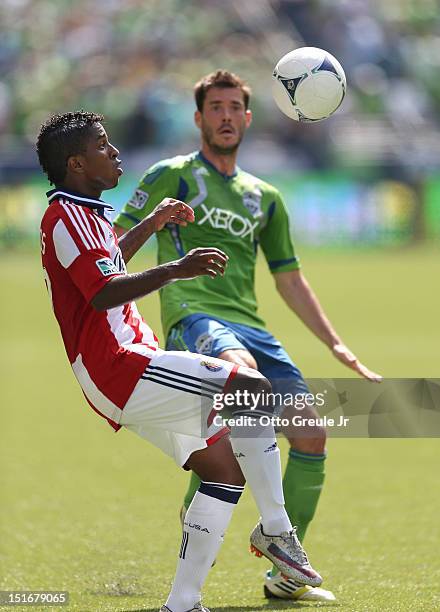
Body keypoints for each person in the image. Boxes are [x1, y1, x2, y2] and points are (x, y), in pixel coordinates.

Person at [37, 111, 323, 612]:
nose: (116, 152)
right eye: (104, 146)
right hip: (120, 364)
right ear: (77, 163)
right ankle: (278, 531)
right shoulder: (64, 217)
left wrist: (153, 220)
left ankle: (183, 602)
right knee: (253, 390)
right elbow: (103, 291)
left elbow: (106, 260)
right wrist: (176, 268)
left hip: (125, 365)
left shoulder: (86, 212)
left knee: (223, 471)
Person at [114, 70, 382, 603]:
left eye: (235, 107)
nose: (226, 116)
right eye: (216, 107)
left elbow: (289, 278)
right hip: (196, 319)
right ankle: (228, 552)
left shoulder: (267, 196)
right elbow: (114, 246)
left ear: (249, 117)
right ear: (198, 118)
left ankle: (285, 574)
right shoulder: (173, 175)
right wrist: (148, 236)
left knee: (310, 433)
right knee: (242, 399)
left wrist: (335, 344)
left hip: (254, 326)